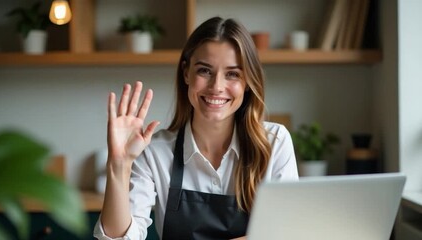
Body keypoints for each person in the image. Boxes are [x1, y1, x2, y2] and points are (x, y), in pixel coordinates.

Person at [94, 16, 298, 240]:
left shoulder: (274, 142)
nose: (216, 87)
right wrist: (119, 165)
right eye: (205, 71)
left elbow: (285, 233)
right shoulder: (155, 152)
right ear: (186, 73)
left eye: (232, 74)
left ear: (248, 81)